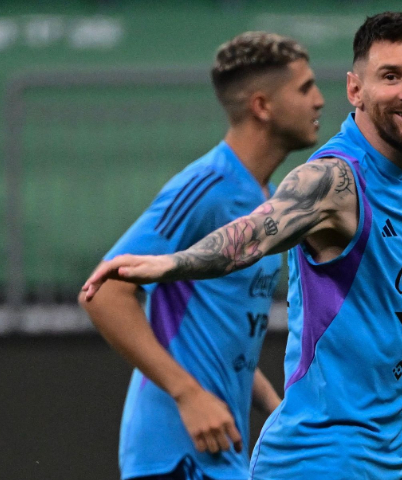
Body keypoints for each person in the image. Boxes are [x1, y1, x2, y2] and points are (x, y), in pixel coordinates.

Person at [83, 12, 402, 480]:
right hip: (286, 458)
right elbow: (253, 235)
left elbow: (225, 329)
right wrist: (170, 266)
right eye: (391, 77)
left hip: (359, 454)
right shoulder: (330, 180)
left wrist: (273, 401)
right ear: (356, 90)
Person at [78, 31, 324, 480]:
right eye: (305, 88)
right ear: (262, 106)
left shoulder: (261, 197)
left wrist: (275, 408)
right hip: (175, 453)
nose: (320, 100)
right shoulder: (206, 187)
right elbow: (104, 293)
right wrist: (188, 394)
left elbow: (217, 333)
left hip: (220, 450)